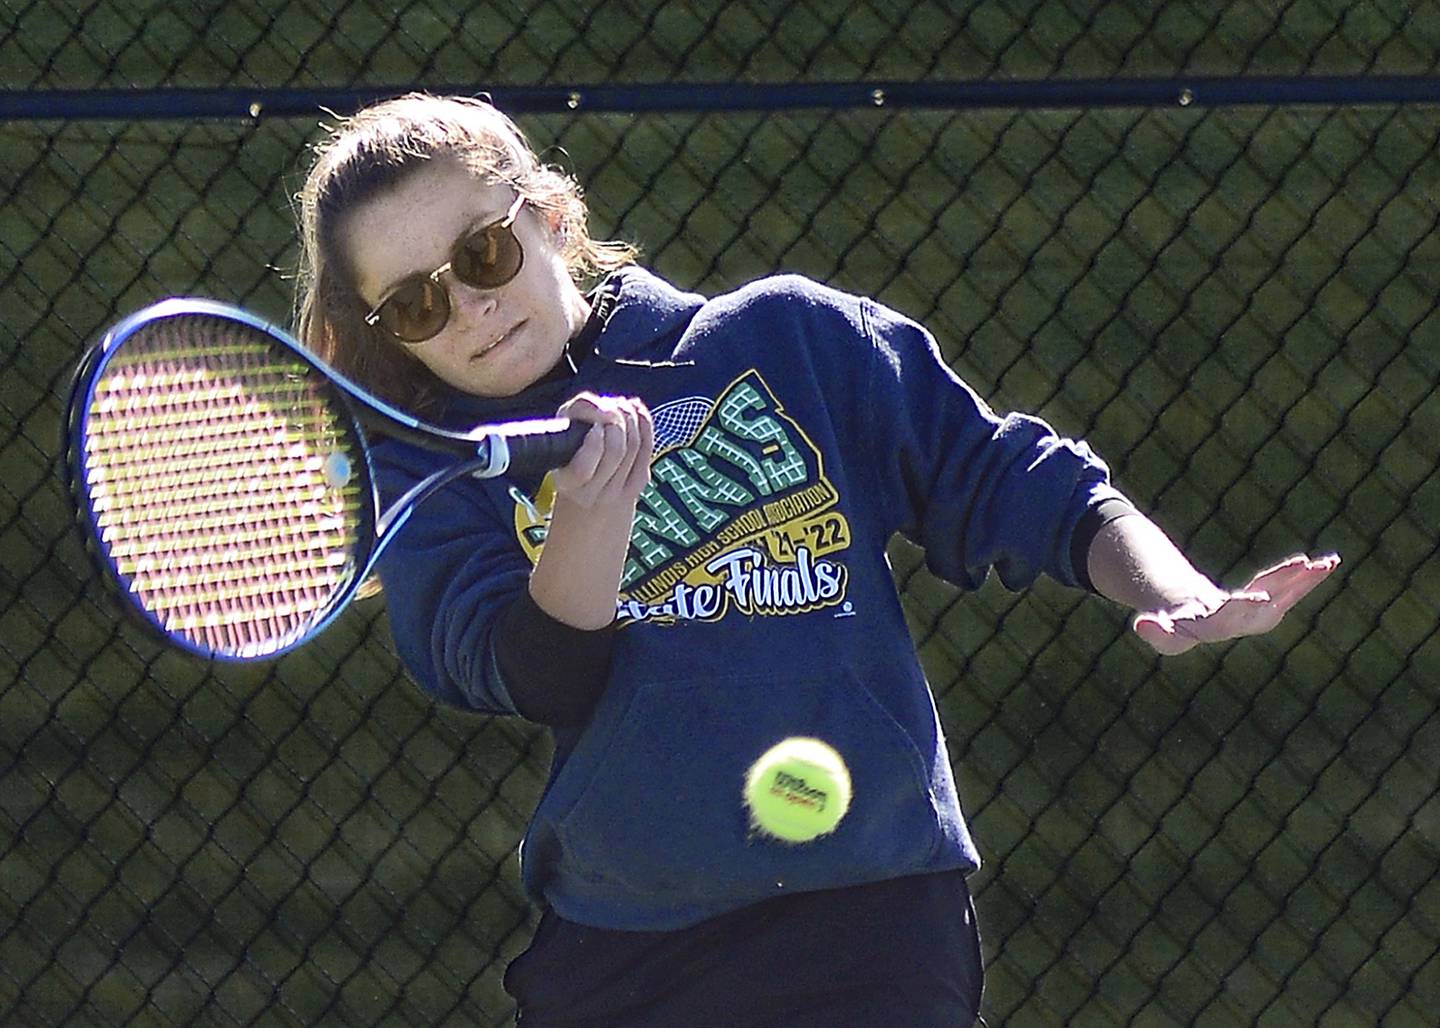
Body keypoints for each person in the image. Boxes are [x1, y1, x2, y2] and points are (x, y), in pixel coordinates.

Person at [293, 92, 1339, 1027]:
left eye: (482, 253)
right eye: (418, 303)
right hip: (625, 956)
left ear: (551, 221)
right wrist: (590, 520)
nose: (471, 305)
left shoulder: (788, 338)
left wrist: (1180, 591)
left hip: (879, 928)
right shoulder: (430, 477)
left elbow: (1024, 481)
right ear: (393, 334)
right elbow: (536, 669)